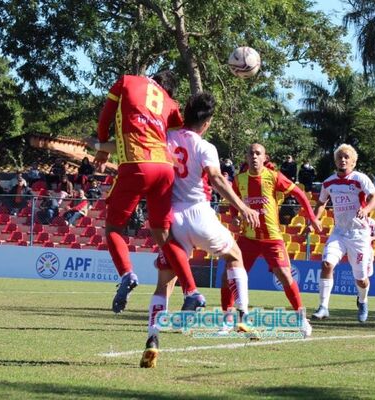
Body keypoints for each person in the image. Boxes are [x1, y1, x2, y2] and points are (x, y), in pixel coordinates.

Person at [140, 92, 260, 368]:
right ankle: (242, 314)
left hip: (173, 219)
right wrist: (242, 207)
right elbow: (216, 178)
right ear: (206, 123)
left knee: (164, 284)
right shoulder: (206, 147)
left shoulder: (166, 139)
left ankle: (152, 339)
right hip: (199, 213)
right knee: (235, 256)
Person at [91, 70, 202, 315]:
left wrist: (101, 146)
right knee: (163, 237)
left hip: (136, 166)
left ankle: (127, 274)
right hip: (165, 169)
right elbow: (181, 137)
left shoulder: (127, 80)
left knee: (113, 229)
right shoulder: (171, 104)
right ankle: (192, 291)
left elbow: (106, 116)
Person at [220, 143, 322, 334]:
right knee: (227, 277)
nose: (254, 156)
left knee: (284, 275)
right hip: (248, 238)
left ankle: (301, 319)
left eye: (258, 153)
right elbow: (234, 201)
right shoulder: (239, 179)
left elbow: (299, 193)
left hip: (272, 238)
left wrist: (312, 217)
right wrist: (234, 216)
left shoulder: (273, 176)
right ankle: (227, 321)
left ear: (265, 157)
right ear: (246, 157)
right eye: (251, 153)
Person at [310, 144, 375, 323]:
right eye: (340, 157)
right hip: (339, 233)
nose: (343, 160)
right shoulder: (328, 182)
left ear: (353, 162)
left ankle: (363, 301)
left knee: (361, 279)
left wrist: (366, 210)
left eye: (347, 157)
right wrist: (315, 219)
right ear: (335, 160)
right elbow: (321, 203)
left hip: (359, 235)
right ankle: (323, 307)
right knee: (326, 264)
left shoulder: (360, 179)